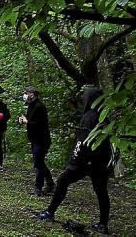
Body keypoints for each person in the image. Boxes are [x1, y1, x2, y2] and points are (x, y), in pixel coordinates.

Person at [38, 87, 112, 234]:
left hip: (85, 161)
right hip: (100, 162)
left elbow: (83, 142)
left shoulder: (89, 117)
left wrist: (75, 161)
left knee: (62, 181)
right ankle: (103, 224)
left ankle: (50, 212)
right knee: (101, 192)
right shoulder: (104, 117)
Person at [19, 86, 54, 196]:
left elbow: (39, 124)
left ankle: (38, 187)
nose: (25, 95)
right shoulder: (31, 105)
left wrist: (27, 122)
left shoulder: (39, 106)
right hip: (34, 139)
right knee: (39, 162)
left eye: (26, 93)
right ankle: (50, 183)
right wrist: (23, 120)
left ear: (32, 94)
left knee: (38, 163)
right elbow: (30, 120)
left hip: (42, 139)